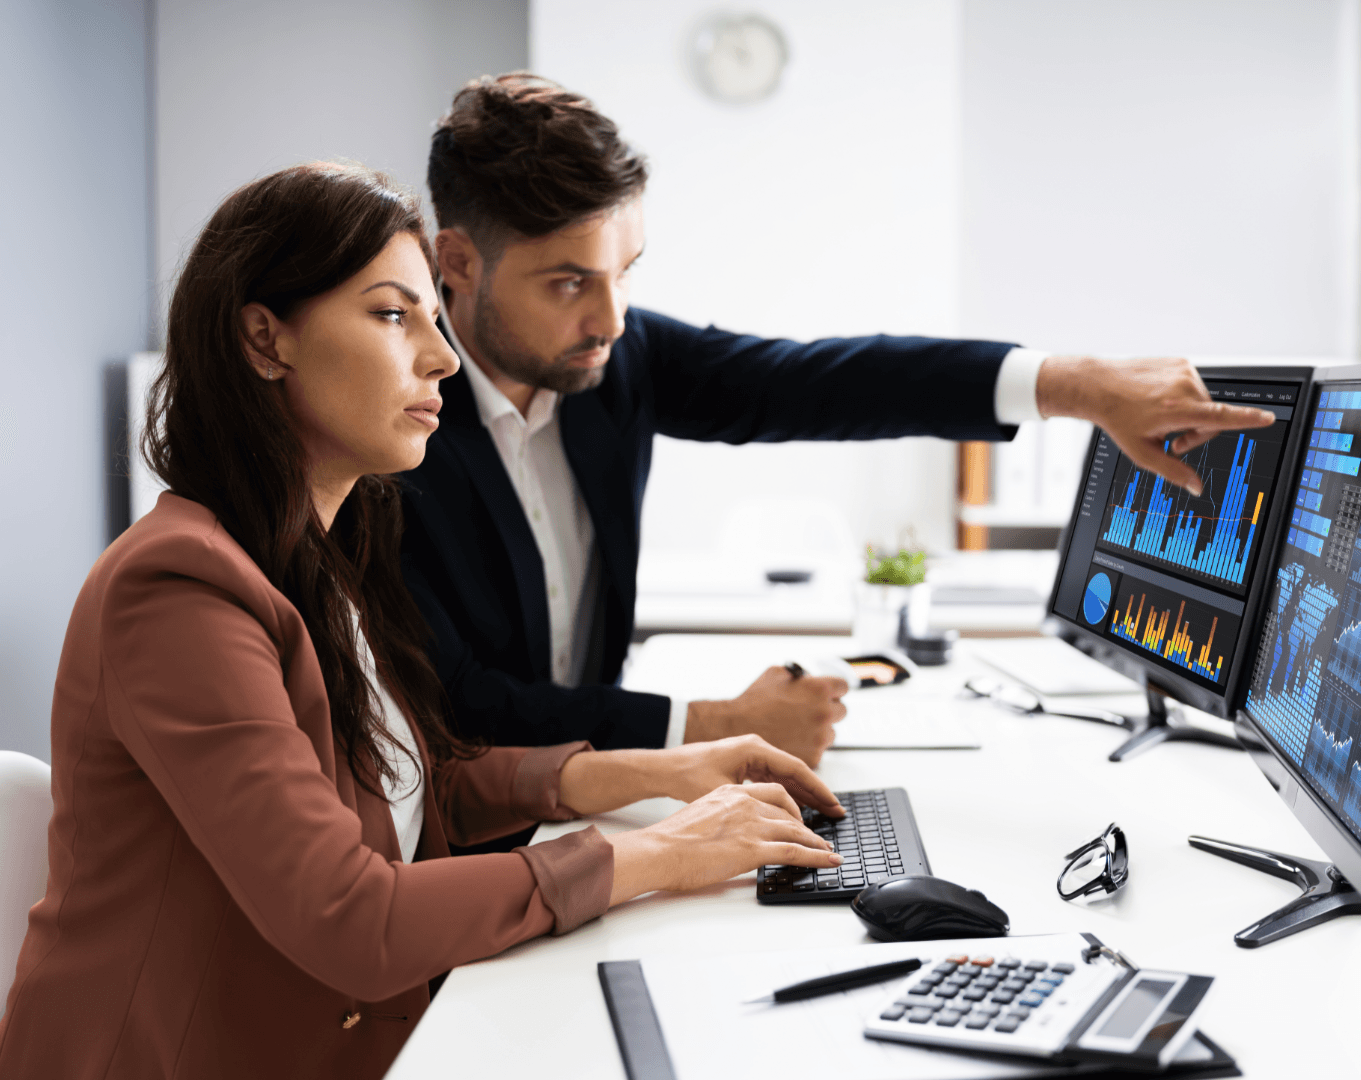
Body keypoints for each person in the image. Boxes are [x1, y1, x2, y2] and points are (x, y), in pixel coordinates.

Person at [0, 163, 844, 1080]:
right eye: (394, 315)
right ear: (264, 338)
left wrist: (657, 771)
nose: (441, 357)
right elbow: (350, 915)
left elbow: (409, 795)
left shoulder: (320, 551)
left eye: (433, 321)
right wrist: (661, 854)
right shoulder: (176, 590)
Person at [401, 73, 1276, 769]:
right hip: (472, 849)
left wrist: (1070, 385)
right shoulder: (390, 431)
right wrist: (713, 722)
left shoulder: (613, 358)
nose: (613, 317)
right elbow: (458, 701)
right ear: (458, 261)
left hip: (605, 801)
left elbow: (820, 381)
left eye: (626, 271)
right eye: (568, 282)